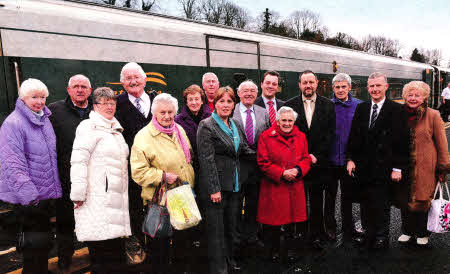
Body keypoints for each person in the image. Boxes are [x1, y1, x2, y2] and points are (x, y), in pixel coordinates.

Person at [0, 79, 62, 274]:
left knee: (42, 243)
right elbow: (12, 163)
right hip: (30, 197)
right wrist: (29, 195)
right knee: (33, 244)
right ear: (23, 98)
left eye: (43, 97)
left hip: (44, 194)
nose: (39, 101)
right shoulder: (14, 123)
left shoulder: (43, 119)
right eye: (34, 97)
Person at [130, 93, 195, 274]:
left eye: (170, 112)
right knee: (160, 247)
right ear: (154, 114)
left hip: (182, 196)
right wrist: (162, 176)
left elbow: (187, 157)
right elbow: (138, 172)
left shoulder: (178, 130)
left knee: (183, 244)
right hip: (160, 200)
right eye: (162, 112)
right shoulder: (143, 137)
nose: (167, 116)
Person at [70, 87, 130, 273]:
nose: (109, 106)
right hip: (97, 200)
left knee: (115, 255)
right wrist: (78, 194)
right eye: (104, 103)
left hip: (115, 203)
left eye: (112, 103)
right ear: (95, 106)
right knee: (102, 255)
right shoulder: (88, 127)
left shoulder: (115, 130)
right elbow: (79, 160)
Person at [347, 72, 409, 249]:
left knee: (382, 203)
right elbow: (354, 136)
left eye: (378, 85)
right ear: (368, 88)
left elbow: (402, 141)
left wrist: (398, 168)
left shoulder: (397, 110)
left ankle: (382, 236)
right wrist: (350, 158)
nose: (375, 89)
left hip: (385, 166)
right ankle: (368, 233)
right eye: (372, 86)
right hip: (363, 166)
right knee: (365, 202)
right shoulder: (362, 108)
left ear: (386, 87)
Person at [197, 86, 255, 274]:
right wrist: (214, 189)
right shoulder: (206, 125)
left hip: (234, 185)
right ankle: (218, 267)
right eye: (222, 101)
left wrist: (268, 157)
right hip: (216, 188)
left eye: (229, 101)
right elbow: (206, 160)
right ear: (214, 103)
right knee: (216, 231)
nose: (226, 105)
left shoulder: (235, 124)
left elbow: (245, 149)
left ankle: (230, 261)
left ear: (234, 104)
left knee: (231, 227)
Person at [393, 81, 450, 246]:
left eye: (417, 95)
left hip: (425, 167)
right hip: (403, 165)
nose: (413, 98)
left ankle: (423, 232)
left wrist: (443, 168)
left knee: (423, 200)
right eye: (409, 95)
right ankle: (407, 230)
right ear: (404, 97)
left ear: (424, 96)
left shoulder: (433, 115)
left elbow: (441, 145)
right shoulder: (399, 113)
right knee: (404, 200)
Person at [284, 70, 336, 249]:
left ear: (317, 83)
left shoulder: (328, 105)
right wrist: (300, 157)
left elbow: (330, 134)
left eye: (311, 82)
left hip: (318, 163)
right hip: (297, 163)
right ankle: (300, 234)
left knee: (316, 201)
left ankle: (315, 234)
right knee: (297, 201)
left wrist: (317, 156)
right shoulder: (289, 105)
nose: (308, 86)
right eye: (304, 82)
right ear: (299, 85)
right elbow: (287, 134)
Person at [48, 74, 93, 271]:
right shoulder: (54, 111)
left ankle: (95, 250)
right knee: (65, 220)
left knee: (92, 216)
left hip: (93, 176)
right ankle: (65, 255)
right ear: (68, 90)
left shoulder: (97, 110)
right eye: (76, 86)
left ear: (90, 91)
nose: (80, 90)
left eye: (84, 87)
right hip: (66, 176)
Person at [257, 106, 312, 262]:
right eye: (284, 120)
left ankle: (289, 251)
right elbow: (263, 162)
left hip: (294, 184)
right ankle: (272, 251)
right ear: (277, 120)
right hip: (275, 186)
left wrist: (298, 170)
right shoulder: (266, 137)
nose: (287, 123)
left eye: (290, 121)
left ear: (294, 121)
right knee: (273, 223)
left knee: (292, 222)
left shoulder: (301, 136)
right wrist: (281, 173)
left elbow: (306, 158)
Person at [115, 62, 157, 261]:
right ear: (122, 83)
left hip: (157, 167)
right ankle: (137, 246)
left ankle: (157, 244)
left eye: (136, 77)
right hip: (130, 167)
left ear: (144, 79)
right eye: (128, 78)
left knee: (157, 206)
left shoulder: (157, 101)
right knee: (133, 207)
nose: (133, 81)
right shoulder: (116, 104)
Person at [232, 80, 270, 246]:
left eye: (252, 91)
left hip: (256, 168)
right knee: (236, 203)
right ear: (238, 93)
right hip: (237, 166)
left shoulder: (263, 112)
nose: (248, 94)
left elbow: (268, 136)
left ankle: (252, 235)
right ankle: (236, 237)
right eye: (245, 91)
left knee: (254, 203)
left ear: (257, 93)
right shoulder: (230, 110)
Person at [327, 73, 364, 243]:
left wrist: (354, 157)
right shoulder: (326, 105)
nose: (340, 90)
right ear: (332, 88)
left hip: (350, 161)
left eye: (344, 87)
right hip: (330, 160)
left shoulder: (360, 106)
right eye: (337, 87)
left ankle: (348, 229)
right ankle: (330, 228)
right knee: (330, 196)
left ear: (350, 87)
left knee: (347, 197)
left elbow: (363, 136)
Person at [174, 84, 211, 251]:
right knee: (189, 205)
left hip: (207, 168)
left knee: (205, 205)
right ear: (186, 102)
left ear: (202, 100)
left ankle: (204, 240)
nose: (194, 102)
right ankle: (191, 243)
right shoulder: (178, 121)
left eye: (197, 99)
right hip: (189, 168)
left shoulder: (211, 116)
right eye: (191, 99)